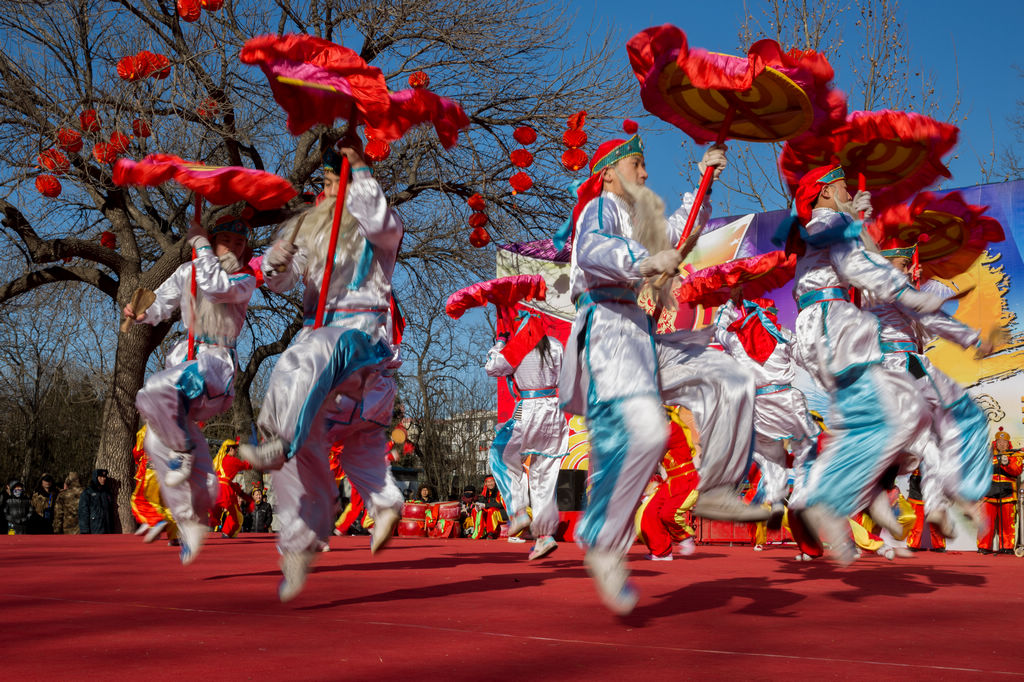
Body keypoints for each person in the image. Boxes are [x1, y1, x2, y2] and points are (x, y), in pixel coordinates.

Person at [556, 130, 732, 614]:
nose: (646, 172)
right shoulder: (600, 208)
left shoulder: (633, 218)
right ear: (610, 173)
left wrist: (704, 183)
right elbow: (595, 249)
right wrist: (644, 261)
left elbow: (680, 232)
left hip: (633, 332)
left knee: (644, 437)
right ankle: (605, 537)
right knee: (642, 432)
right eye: (638, 163)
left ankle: (604, 535)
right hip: (608, 326)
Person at [239, 144, 405, 602]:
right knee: (305, 442)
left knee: (306, 355)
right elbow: (283, 277)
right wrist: (278, 260)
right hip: (320, 337)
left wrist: (362, 172)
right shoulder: (311, 226)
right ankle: (297, 544)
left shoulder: (378, 229)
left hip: (361, 333)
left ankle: (280, 442)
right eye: (329, 183)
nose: (332, 190)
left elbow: (381, 220)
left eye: (340, 182)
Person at [772, 164, 948, 564]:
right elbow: (861, 267)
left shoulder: (832, 220)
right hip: (831, 321)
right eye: (845, 189)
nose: (852, 194)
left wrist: (859, 224)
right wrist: (855, 222)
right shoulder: (826, 219)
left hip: (826, 323)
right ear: (826, 192)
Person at [126, 213, 260, 563]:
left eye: (239, 243)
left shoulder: (244, 278)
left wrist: (201, 244)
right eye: (226, 240)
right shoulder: (187, 273)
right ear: (216, 241)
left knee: (158, 387)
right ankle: (187, 520)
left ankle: (184, 449)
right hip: (183, 363)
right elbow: (161, 303)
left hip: (214, 367)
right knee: (153, 430)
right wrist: (141, 311)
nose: (233, 247)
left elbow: (217, 285)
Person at [864, 239, 994, 538]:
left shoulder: (873, 288)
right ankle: (961, 495)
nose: (908, 268)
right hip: (905, 365)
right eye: (902, 263)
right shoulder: (892, 285)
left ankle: (937, 504)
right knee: (966, 417)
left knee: (929, 443)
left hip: (884, 372)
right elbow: (929, 317)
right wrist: (973, 338)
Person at [713, 295, 820, 529]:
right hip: (787, 399)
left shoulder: (735, 339)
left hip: (759, 404)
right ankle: (802, 496)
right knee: (806, 445)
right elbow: (807, 357)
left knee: (769, 454)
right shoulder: (782, 336)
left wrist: (729, 304)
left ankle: (777, 498)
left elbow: (718, 327)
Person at [485, 311, 568, 560]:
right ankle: (544, 536)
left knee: (500, 454)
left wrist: (500, 341)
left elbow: (492, 368)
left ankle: (519, 509)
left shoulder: (516, 346)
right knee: (544, 474)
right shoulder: (555, 345)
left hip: (528, 408)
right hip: (554, 410)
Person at [977, 428, 1023, 554]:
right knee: (986, 523)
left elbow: (1017, 470)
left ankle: (1007, 547)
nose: (1001, 444)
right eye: (999, 441)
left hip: (1007, 493)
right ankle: (983, 546)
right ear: (995, 443)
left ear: (1009, 444)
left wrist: (1006, 463)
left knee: (1008, 523)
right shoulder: (987, 456)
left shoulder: (1015, 455)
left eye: (1004, 442)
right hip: (989, 493)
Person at [130, 426, 178, 544]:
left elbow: (138, 451)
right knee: (168, 505)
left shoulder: (150, 427)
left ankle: (155, 522)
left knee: (139, 500)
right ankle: (174, 536)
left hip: (153, 470)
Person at [210, 439, 252, 538]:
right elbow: (247, 465)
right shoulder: (232, 460)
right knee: (236, 515)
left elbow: (223, 479)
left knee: (213, 515)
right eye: (235, 449)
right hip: (225, 490)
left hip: (214, 489)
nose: (236, 451)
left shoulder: (218, 461)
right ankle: (227, 532)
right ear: (231, 449)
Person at [78, 469, 115, 534]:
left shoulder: (106, 493)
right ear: (95, 478)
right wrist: (84, 531)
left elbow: (110, 512)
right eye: (100, 477)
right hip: (94, 530)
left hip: (107, 530)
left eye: (104, 477)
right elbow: (83, 513)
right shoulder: (87, 493)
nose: (103, 479)